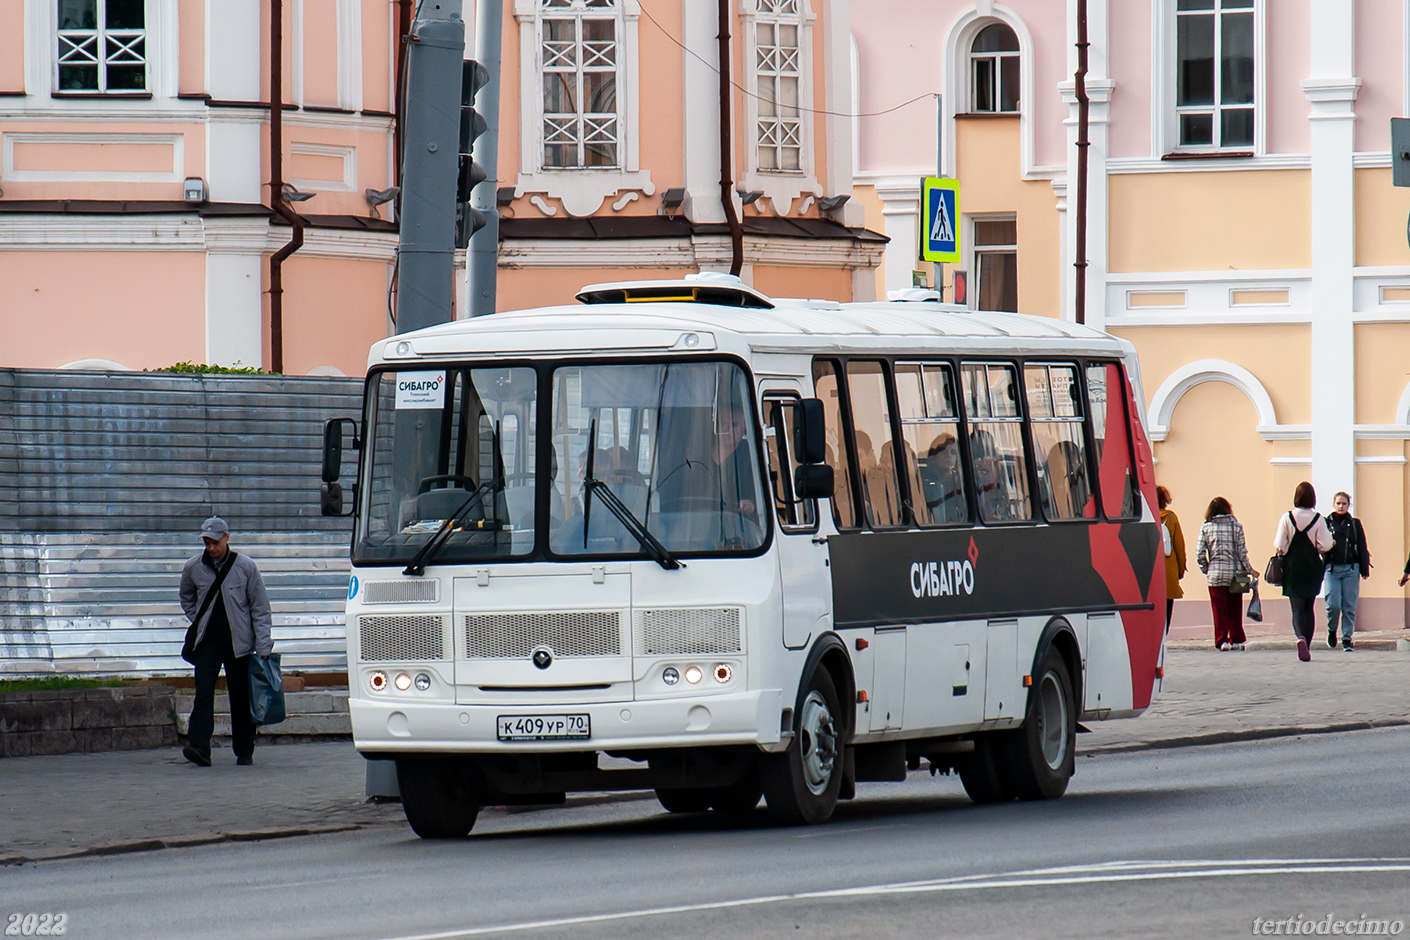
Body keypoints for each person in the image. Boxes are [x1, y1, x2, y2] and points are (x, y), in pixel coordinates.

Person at [178, 516, 273, 767]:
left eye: (215, 542)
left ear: (226, 538)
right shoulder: (193, 567)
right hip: (207, 643)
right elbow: (186, 597)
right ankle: (199, 747)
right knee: (204, 693)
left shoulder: (245, 567)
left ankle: (244, 749)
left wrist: (263, 646)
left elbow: (260, 608)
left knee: (241, 697)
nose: (210, 548)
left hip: (239, 644)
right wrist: (198, 619)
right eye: (207, 542)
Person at [1272, 482, 1334, 663]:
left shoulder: (1287, 517)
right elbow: (1325, 545)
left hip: (1293, 567)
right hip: (1312, 566)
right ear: (1313, 498)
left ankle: (1300, 637)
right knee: (1309, 607)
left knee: (1297, 608)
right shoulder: (1318, 518)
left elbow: (1279, 545)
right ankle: (1308, 645)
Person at [1195, 496, 1255, 651]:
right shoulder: (1237, 526)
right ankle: (1237, 639)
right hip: (1236, 575)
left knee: (1219, 610)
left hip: (1215, 574)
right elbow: (1242, 552)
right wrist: (1250, 570)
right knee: (1235, 608)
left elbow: (1199, 552)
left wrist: (1206, 569)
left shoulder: (1206, 527)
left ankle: (1222, 640)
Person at [1323, 491, 1370, 651]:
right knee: (1333, 604)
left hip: (1351, 568)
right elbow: (1320, 546)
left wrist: (1364, 569)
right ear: (1333, 504)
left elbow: (1362, 546)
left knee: (1349, 605)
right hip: (1332, 569)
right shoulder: (1326, 522)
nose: (1341, 506)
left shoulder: (1355, 524)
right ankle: (1331, 630)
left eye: (1344, 503)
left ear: (1348, 505)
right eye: (1338, 503)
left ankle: (1347, 639)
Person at [1158, 485, 1187, 633]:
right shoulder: (1171, 517)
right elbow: (1179, 547)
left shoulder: (1146, 516)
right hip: (1169, 570)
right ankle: (1164, 634)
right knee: (1167, 607)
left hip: (1151, 571)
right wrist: (1180, 570)